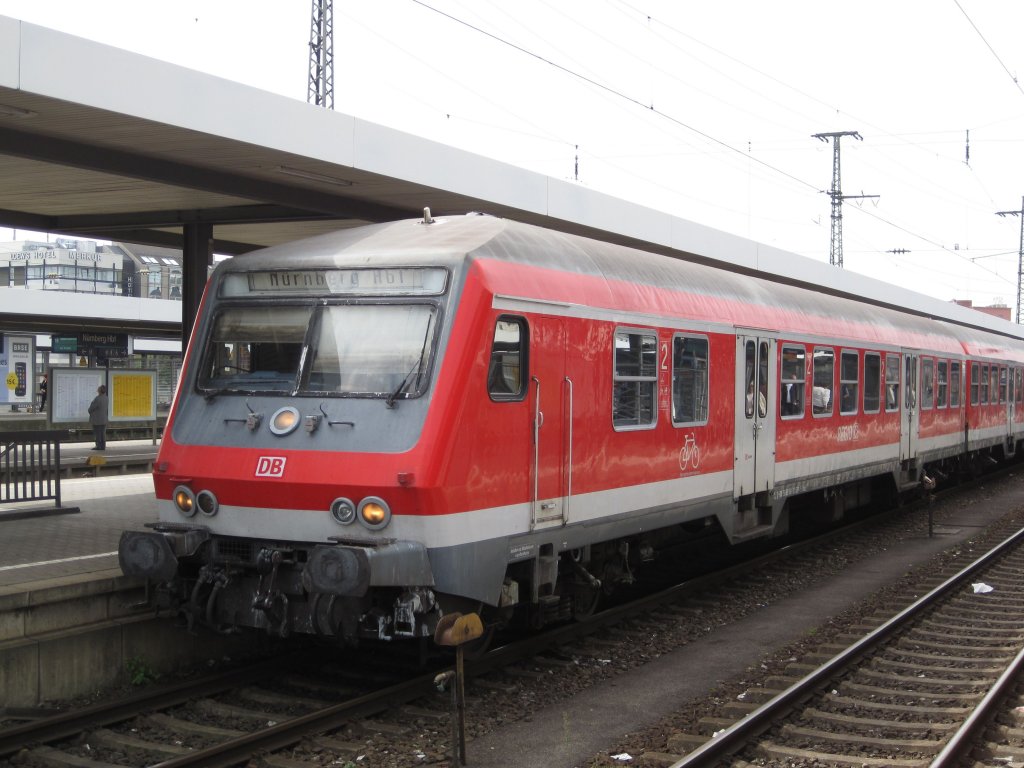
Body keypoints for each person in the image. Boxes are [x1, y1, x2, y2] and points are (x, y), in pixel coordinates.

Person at [88, 384, 108, 450]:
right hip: (104, 419)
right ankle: (103, 446)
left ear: (99, 390)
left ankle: (98, 446)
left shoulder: (97, 398)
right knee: (103, 434)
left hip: (97, 420)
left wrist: (90, 407)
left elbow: (91, 409)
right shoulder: (106, 398)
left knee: (97, 434)